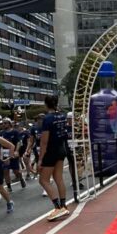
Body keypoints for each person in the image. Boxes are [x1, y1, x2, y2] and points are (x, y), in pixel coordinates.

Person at [40, 94, 70, 222]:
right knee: (58, 177)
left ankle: (58, 208)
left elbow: (44, 141)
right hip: (61, 149)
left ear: (46, 104)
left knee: (43, 180)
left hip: (50, 151)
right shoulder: (62, 116)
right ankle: (64, 204)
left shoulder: (47, 119)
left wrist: (41, 158)